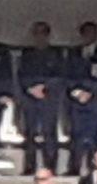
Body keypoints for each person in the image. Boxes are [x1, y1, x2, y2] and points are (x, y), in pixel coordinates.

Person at [15, 22, 65, 176]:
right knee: (30, 133)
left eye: (42, 33)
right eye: (37, 34)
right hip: (30, 98)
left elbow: (59, 76)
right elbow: (21, 75)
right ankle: (29, 166)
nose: (39, 37)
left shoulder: (55, 54)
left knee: (49, 133)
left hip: (48, 98)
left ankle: (50, 166)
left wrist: (44, 87)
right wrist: (30, 88)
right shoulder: (27, 54)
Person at [65, 22, 97, 176]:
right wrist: (78, 92)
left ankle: (94, 169)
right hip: (77, 104)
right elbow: (67, 77)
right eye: (86, 33)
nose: (90, 36)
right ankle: (74, 168)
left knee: (95, 137)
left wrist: (92, 94)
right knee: (76, 137)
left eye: (93, 33)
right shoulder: (73, 54)